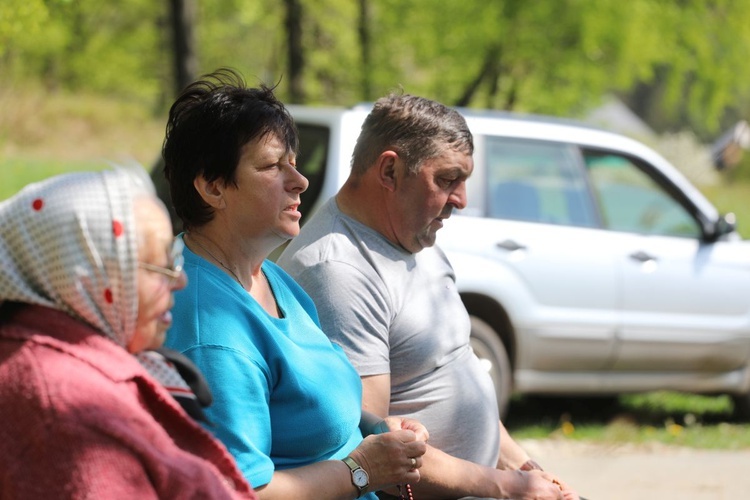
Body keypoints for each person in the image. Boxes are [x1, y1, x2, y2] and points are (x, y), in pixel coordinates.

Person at [277, 93, 579, 500]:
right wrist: (506, 487)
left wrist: (527, 470)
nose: (461, 200)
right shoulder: (338, 270)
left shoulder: (413, 233)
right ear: (390, 170)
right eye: (447, 179)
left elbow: (455, 367)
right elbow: (373, 447)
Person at [161, 68, 427, 500]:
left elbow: (306, 400)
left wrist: (375, 429)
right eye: (271, 166)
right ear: (212, 187)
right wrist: (362, 470)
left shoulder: (268, 276)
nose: (300, 181)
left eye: (294, 163)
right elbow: (239, 492)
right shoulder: (211, 333)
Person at [0, 167, 257, 499]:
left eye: (175, 260)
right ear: (88, 276)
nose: (179, 280)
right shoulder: (66, 407)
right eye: (162, 265)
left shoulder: (62, 367)